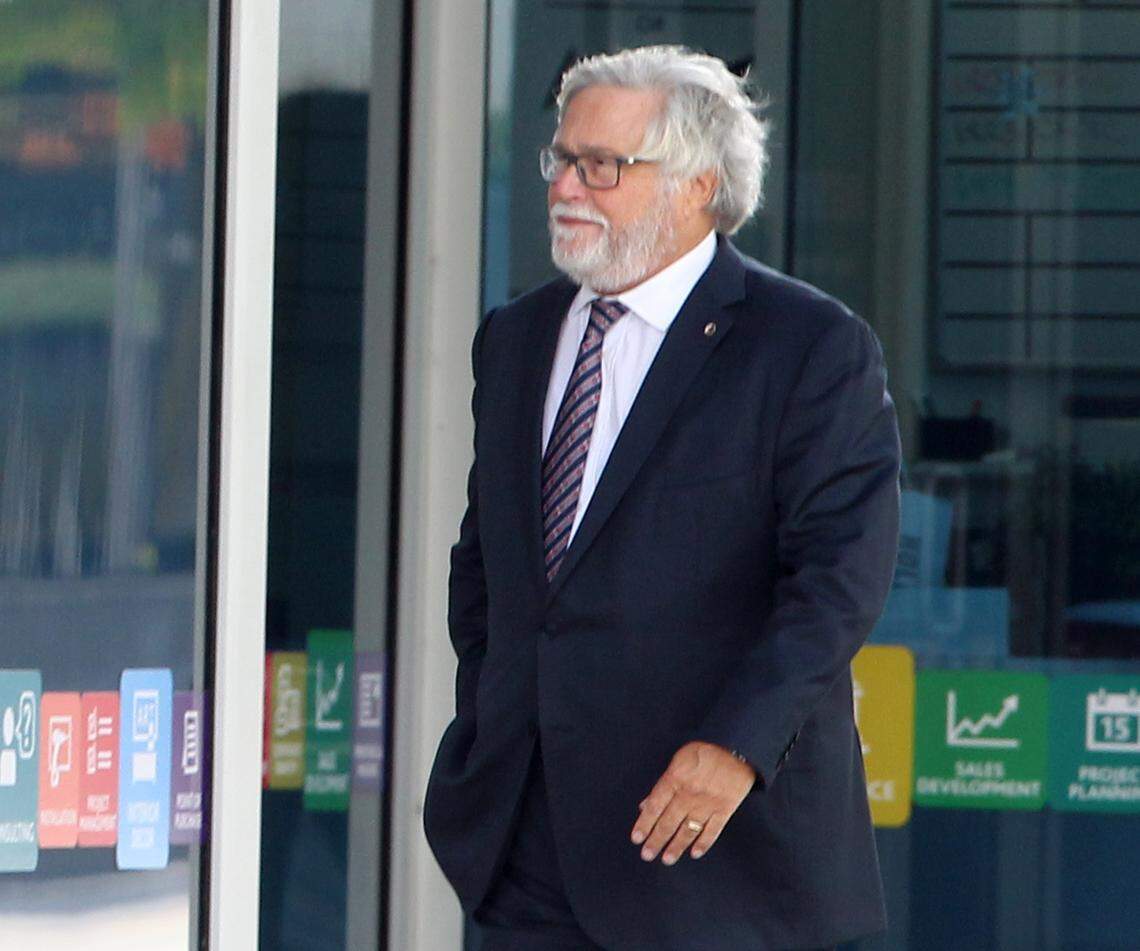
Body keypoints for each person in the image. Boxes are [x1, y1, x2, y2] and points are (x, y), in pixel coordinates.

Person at [424, 45, 901, 951]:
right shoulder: (518, 338)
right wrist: (489, 717)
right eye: (561, 159)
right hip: (528, 845)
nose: (567, 186)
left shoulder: (807, 346)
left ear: (697, 185)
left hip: (713, 854)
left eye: (602, 166)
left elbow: (837, 581)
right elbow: (486, 562)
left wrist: (737, 748)